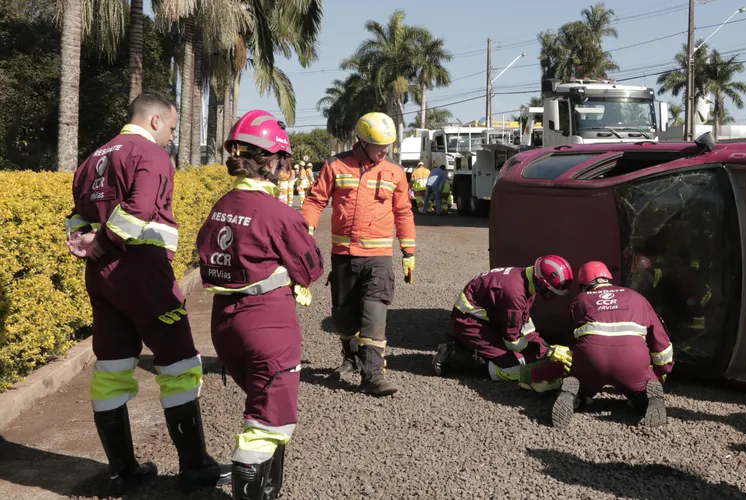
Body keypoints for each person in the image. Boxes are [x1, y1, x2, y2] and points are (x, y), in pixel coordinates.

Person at [64, 91, 230, 495]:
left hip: (101, 277)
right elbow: (139, 209)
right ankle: (195, 467)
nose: (172, 135)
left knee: (111, 367)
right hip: (143, 271)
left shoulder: (92, 159)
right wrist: (108, 238)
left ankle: (123, 472)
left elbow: (75, 216)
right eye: (172, 127)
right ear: (155, 120)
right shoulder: (150, 153)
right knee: (179, 362)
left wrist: (88, 241)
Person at [196, 109, 324, 500]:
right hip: (267, 325)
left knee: (261, 403)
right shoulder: (278, 213)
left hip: (224, 324)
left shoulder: (221, 205)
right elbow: (312, 268)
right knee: (266, 420)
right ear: (271, 161)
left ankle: (269, 488)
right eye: (284, 160)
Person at [300, 112, 416, 396]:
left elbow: (403, 212)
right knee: (343, 315)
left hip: (378, 256)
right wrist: (306, 229)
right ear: (362, 141)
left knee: (374, 314)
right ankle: (352, 358)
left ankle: (373, 375)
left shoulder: (395, 172)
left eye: (388, 144)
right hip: (343, 254)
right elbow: (315, 200)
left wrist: (408, 252)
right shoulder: (336, 165)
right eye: (379, 145)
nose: (385, 150)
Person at [552, 261, 674, 428]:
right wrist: (661, 371)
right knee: (642, 387)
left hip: (590, 359)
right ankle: (645, 399)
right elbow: (660, 341)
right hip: (632, 362)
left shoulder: (580, 300)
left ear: (583, 284)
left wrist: (576, 364)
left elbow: (570, 337)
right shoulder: (636, 297)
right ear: (608, 278)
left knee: (579, 381)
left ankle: (575, 394)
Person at [431, 255, 575, 392]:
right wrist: (547, 352)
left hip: (482, 319)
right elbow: (513, 341)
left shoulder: (525, 280)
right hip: (468, 324)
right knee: (510, 368)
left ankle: (464, 346)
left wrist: (545, 346)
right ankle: (454, 354)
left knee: (522, 355)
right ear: (540, 282)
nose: (551, 296)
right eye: (550, 292)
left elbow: (524, 325)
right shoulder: (515, 294)